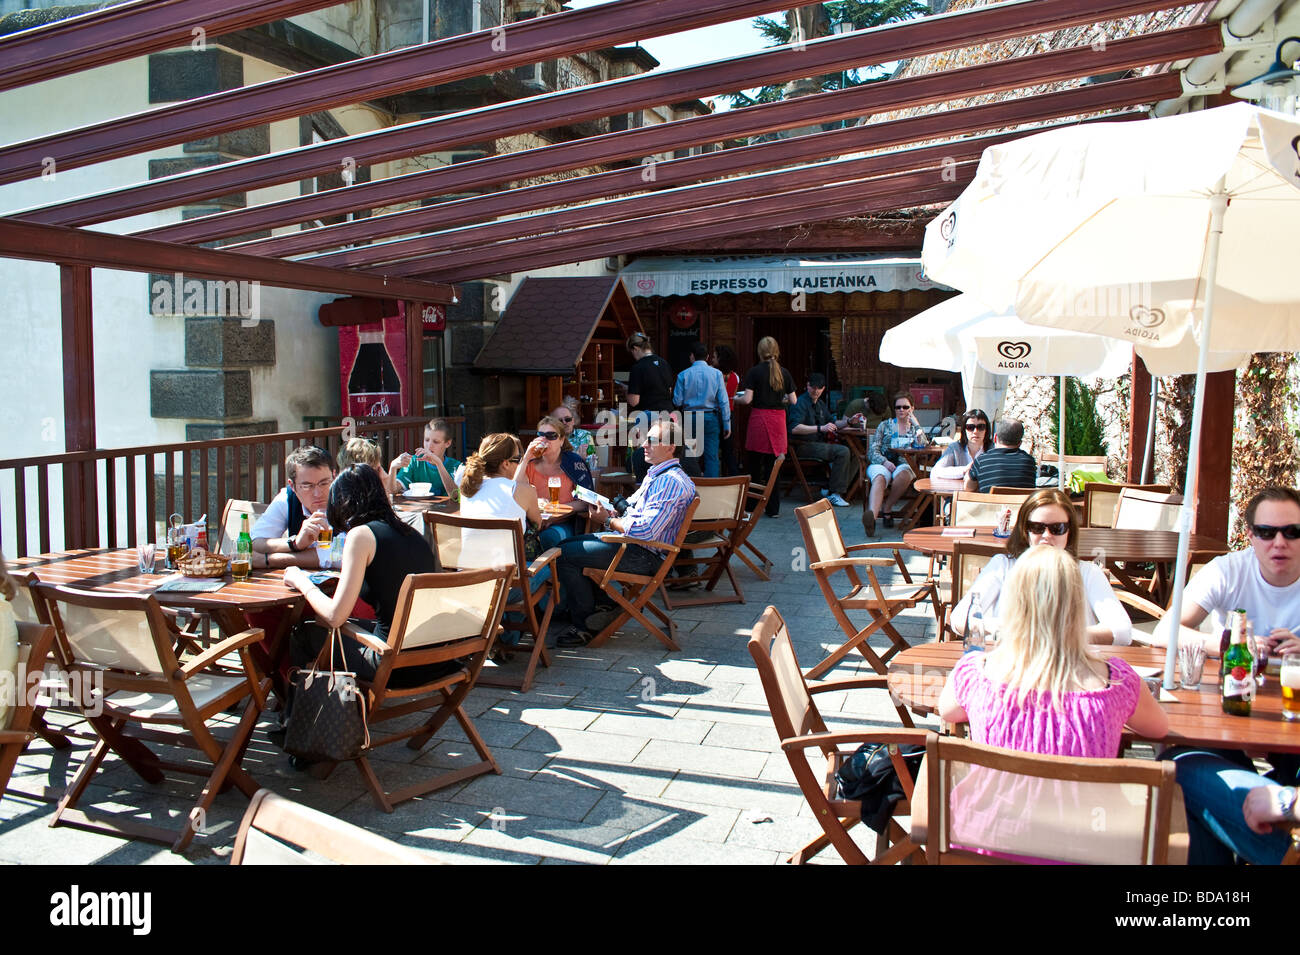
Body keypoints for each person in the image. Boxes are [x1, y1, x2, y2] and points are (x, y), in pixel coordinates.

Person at [1149, 486, 1300, 864]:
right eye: (1267, 532)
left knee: (1182, 773)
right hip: (1231, 717)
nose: (1279, 542)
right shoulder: (1229, 569)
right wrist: (1231, 642)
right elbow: (1163, 631)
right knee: (1188, 764)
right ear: (1250, 535)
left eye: (1292, 532)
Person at [939, 544, 1167, 756]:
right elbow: (1158, 728)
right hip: (1089, 800)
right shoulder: (1116, 681)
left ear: (1013, 603)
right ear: (1078, 604)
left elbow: (948, 711)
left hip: (996, 799)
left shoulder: (975, 674)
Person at [284, 464, 445, 686]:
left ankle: (300, 712)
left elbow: (335, 616)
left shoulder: (362, 535)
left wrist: (302, 582)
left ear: (342, 502)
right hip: (437, 659)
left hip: (393, 663)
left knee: (305, 631)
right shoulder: (412, 534)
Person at [553, 419, 696, 647]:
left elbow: (645, 530)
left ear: (670, 448)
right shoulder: (659, 475)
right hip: (634, 546)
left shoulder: (670, 481)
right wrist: (606, 508)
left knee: (562, 554)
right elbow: (632, 509)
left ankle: (585, 623)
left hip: (644, 555)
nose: (644, 445)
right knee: (566, 546)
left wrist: (607, 520)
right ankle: (601, 606)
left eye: (651, 440)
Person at [949, 488, 1132, 645]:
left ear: (1069, 532)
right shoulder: (1003, 566)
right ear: (1024, 530)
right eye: (1037, 527)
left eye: (1057, 528)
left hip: (1070, 669)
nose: (1046, 535)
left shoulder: (1087, 572)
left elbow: (1123, 631)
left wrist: (1064, 638)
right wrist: (1009, 630)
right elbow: (959, 619)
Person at [457, 433, 548, 650]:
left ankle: (500, 642)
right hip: (507, 587)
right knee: (549, 561)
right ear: (506, 464)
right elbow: (538, 523)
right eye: (517, 460)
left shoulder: (468, 489)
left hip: (467, 583)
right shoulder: (524, 491)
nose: (519, 464)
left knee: (510, 568)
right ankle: (508, 642)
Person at [735, 336, 796, 518]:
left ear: (760, 352)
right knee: (773, 466)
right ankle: (773, 508)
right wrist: (780, 400)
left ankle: (752, 506)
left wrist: (733, 400)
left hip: (760, 419)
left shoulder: (754, 372)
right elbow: (793, 400)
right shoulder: (784, 372)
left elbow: (747, 399)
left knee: (754, 465)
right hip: (778, 421)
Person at [251, 445, 336, 568]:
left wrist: (270, 560)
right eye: (307, 486)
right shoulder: (287, 498)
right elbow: (255, 542)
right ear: (292, 485)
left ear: (334, 476)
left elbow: (339, 555)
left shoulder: (348, 499)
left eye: (324, 483)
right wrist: (295, 543)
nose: (318, 493)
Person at [863, 390, 930, 536]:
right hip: (882, 462)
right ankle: (872, 519)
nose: (901, 410)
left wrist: (917, 425)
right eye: (898, 407)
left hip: (904, 465)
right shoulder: (884, 425)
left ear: (912, 408)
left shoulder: (914, 429)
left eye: (905, 407)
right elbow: (873, 451)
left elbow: (924, 446)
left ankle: (887, 507)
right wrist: (884, 462)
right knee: (879, 477)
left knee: (905, 474)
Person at [523, 415, 593, 550]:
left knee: (548, 538)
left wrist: (556, 514)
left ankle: (550, 571)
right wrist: (526, 458)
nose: (544, 440)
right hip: (531, 521)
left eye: (551, 435)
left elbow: (586, 502)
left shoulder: (573, 463)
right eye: (540, 435)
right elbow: (515, 494)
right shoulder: (529, 464)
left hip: (564, 522)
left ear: (561, 440)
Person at [787, 372, 853, 508]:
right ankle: (835, 493)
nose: (815, 391)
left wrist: (850, 421)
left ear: (823, 389)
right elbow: (794, 428)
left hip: (817, 444)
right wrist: (820, 428)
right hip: (802, 446)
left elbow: (833, 423)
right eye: (813, 387)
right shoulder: (799, 402)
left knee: (850, 450)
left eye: (819, 388)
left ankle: (831, 488)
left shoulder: (821, 404)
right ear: (807, 386)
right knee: (843, 451)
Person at [673, 340, 731, 478]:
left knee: (690, 456)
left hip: (690, 418)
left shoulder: (683, 375)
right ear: (707, 357)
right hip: (710, 418)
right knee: (712, 456)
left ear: (692, 356)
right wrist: (727, 423)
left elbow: (677, 401)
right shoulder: (717, 374)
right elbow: (724, 401)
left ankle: (691, 490)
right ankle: (711, 492)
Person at [625, 331, 676, 482]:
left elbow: (634, 401)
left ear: (635, 348)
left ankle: (646, 485)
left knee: (647, 455)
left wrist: (626, 392)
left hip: (648, 416)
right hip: (670, 413)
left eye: (632, 352)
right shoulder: (664, 363)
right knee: (667, 451)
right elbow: (669, 390)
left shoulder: (638, 367)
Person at [389, 418, 460, 499]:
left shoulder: (456, 467)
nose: (429, 446)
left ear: (448, 443)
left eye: (436, 442)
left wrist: (438, 464)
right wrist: (393, 467)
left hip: (445, 511)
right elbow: (392, 491)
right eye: (426, 440)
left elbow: (455, 496)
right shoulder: (414, 462)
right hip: (418, 510)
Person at [964, 417, 1037, 494]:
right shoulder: (1030, 462)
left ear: (995, 438)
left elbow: (968, 488)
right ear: (1020, 443)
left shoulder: (982, 460)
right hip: (1020, 506)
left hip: (990, 505)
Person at [932, 408, 994, 481]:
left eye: (981, 427)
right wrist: (965, 470)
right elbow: (936, 472)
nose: (975, 431)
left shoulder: (993, 449)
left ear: (986, 430)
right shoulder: (954, 448)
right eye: (970, 427)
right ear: (964, 430)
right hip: (958, 491)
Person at [712, 344, 741, 476]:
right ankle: (734, 478)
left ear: (720, 359)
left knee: (711, 451)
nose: (712, 359)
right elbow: (732, 397)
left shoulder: (713, 374)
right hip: (729, 415)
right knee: (728, 452)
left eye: (714, 357)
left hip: (714, 414)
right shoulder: (735, 376)